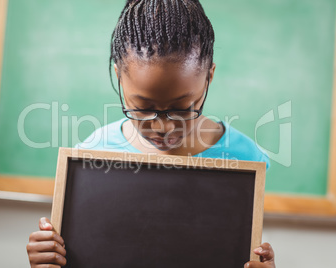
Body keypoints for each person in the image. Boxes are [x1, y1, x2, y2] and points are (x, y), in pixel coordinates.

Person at [27, 0, 275, 267]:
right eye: (143, 108)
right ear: (119, 78)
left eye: (181, 108)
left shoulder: (245, 158)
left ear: (209, 78)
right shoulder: (91, 156)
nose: (163, 127)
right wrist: (48, 257)